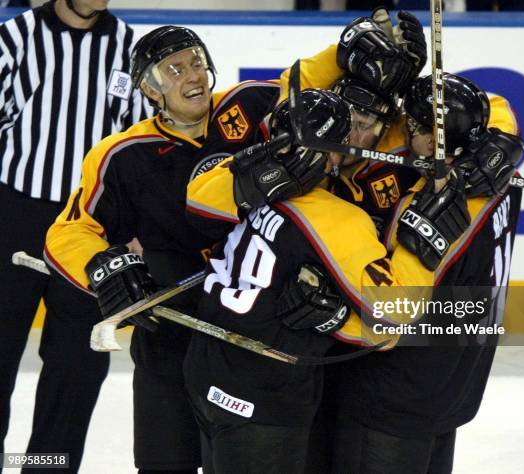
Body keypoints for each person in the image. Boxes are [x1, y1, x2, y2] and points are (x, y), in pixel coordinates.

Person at [182, 87, 471, 474]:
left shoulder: (248, 186)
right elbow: (396, 311)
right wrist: (423, 242)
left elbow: (196, 200)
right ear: (333, 152)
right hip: (264, 398)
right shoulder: (337, 219)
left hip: (206, 373)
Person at [44, 25, 281, 472]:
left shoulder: (251, 110)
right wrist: (101, 265)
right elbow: (71, 231)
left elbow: (310, 81)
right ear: (150, 89)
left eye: (196, 62)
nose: (191, 75)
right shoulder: (123, 154)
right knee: (164, 463)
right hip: (170, 336)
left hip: (251, 336)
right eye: (173, 69)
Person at [328, 73, 524, 474]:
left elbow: (389, 308)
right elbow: (495, 108)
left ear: (432, 138)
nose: (403, 134)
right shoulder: (504, 176)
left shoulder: (428, 209)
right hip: (456, 381)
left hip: (395, 394)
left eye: (413, 127)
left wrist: (331, 316)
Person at [0, 0, 150, 469]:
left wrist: (137, 225)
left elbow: (142, 141)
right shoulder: (13, 39)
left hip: (92, 226)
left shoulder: (130, 49)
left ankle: (48, 467)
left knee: (76, 368)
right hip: (13, 215)